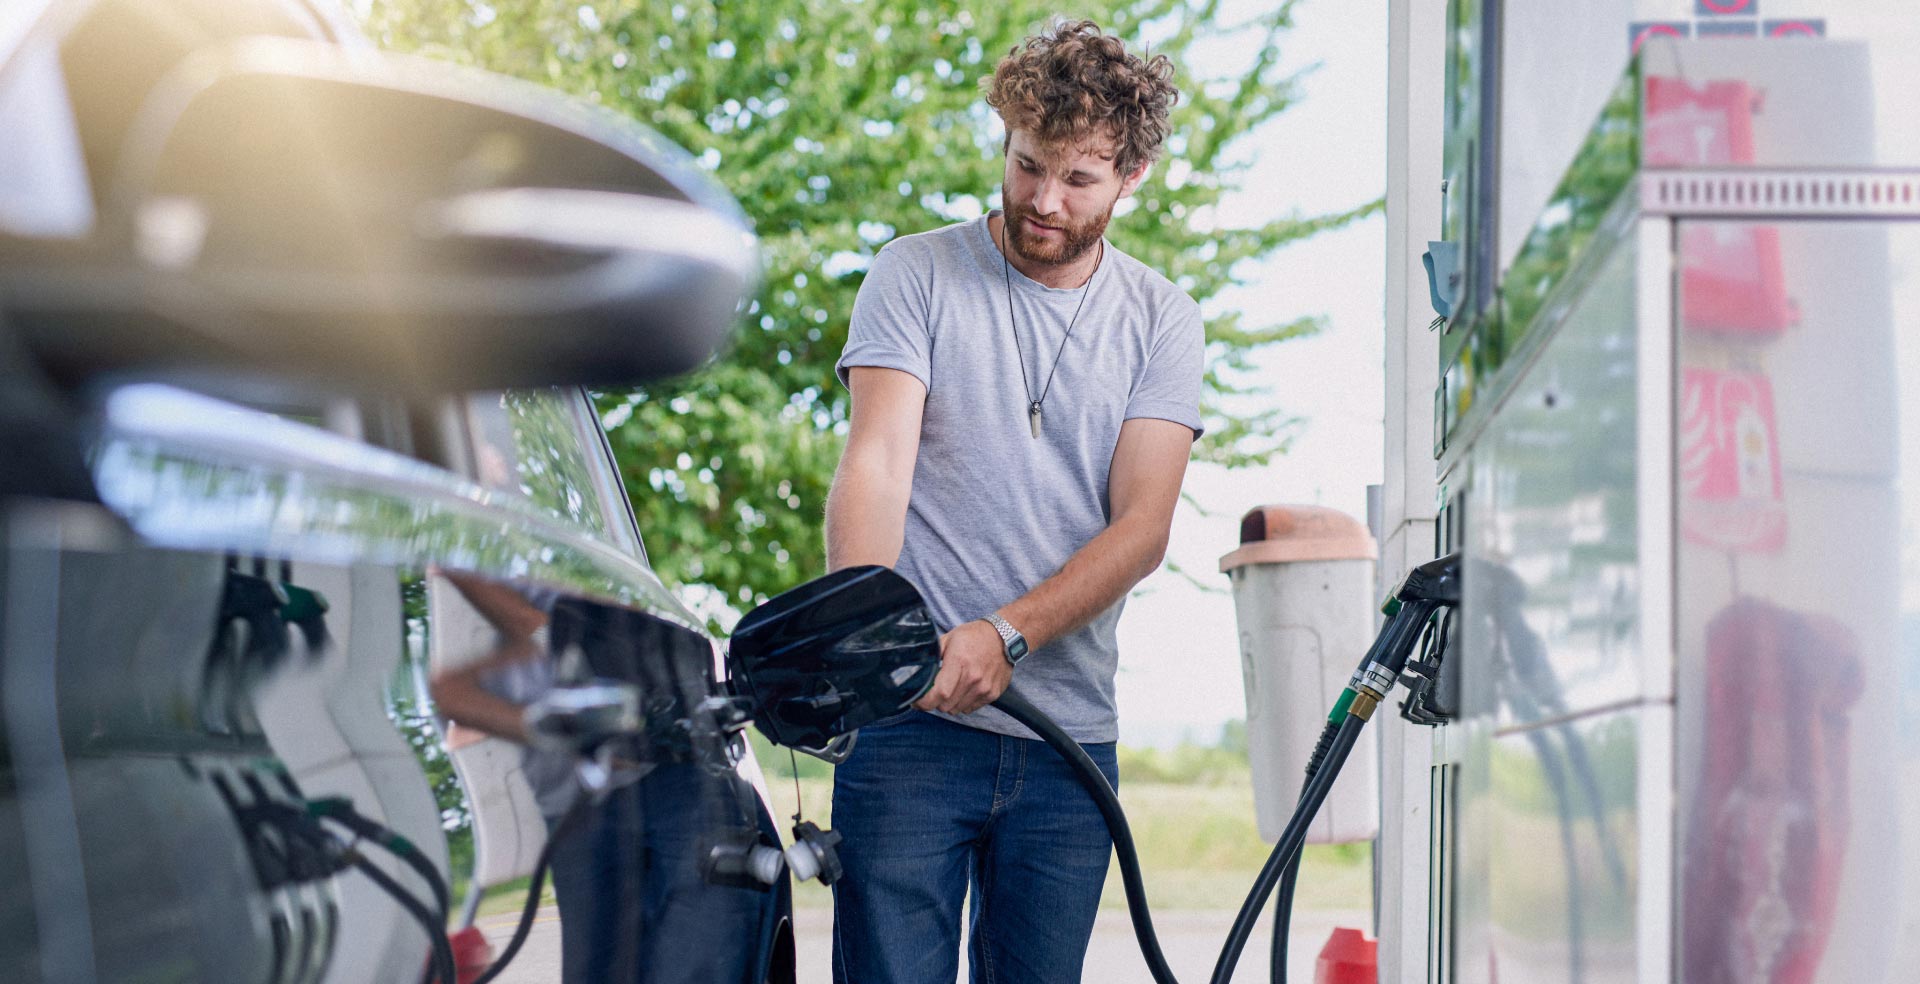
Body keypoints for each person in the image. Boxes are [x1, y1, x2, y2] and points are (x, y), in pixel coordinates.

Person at [824, 19, 1201, 984]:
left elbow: (1143, 527)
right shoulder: (916, 273)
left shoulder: (1162, 319)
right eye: (1027, 163)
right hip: (909, 728)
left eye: (1079, 179)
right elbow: (876, 465)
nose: (1042, 199)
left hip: (1067, 743)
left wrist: (1005, 635)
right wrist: (872, 651)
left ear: (1132, 178)